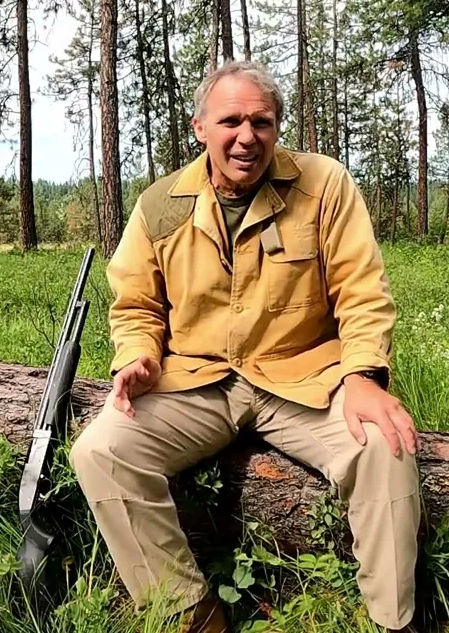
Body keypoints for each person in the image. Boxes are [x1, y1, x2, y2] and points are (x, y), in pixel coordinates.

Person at [69, 60, 421, 633]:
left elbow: (362, 290)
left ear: (277, 128)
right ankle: (190, 614)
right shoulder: (161, 204)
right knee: (100, 451)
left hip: (303, 379)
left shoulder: (323, 185)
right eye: (230, 121)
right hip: (198, 382)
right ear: (199, 128)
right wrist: (137, 357)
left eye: (262, 122)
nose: (247, 137)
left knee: (385, 446)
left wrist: (362, 376)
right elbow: (136, 305)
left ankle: (392, 621)